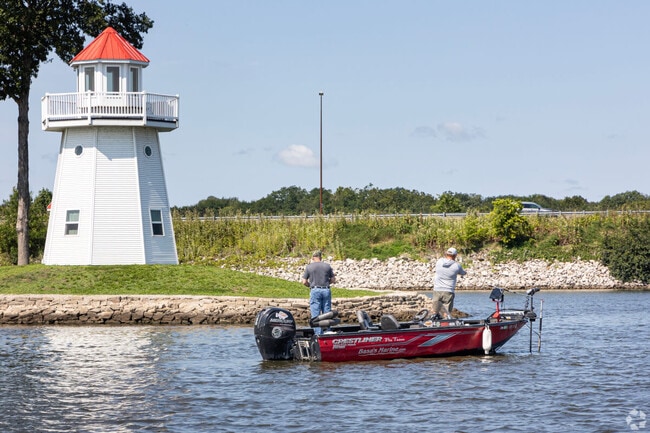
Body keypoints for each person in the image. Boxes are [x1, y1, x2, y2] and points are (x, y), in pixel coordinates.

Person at [301, 250, 336, 334]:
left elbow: (304, 281)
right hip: (326, 289)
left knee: (315, 313)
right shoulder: (327, 266)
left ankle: (318, 334)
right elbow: (333, 279)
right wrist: (327, 283)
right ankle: (327, 331)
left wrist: (310, 285)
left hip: (315, 290)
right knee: (327, 312)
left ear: (313, 257)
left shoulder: (309, 267)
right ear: (321, 257)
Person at [432, 247, 466, 319]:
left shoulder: (439, 261)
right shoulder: (457, 266)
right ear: (455, 255)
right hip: (448, 291)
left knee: (435, 311)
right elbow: (463, 273)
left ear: (446, 254)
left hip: (437, 289)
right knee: (446, 313)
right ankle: (445, 326)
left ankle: (433, 324)